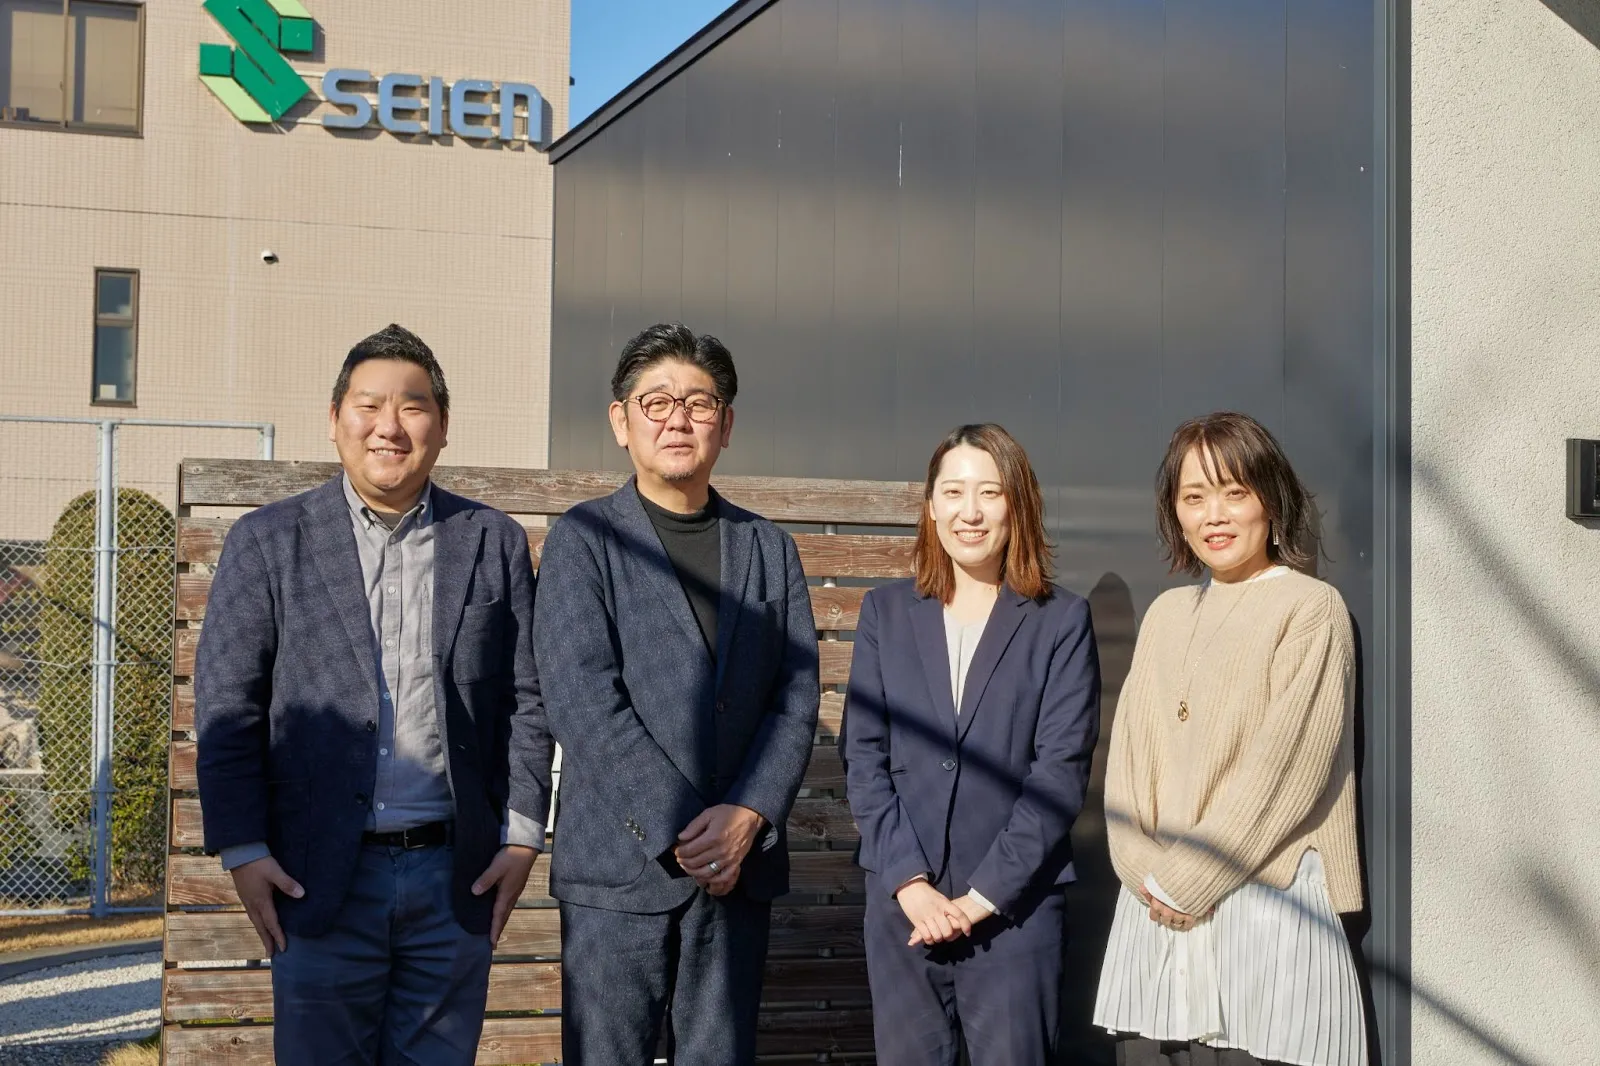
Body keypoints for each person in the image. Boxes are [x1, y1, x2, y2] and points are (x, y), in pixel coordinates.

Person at [194, 324, 552, 1066]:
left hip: (453, 878)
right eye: (369, 405)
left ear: (443, 427)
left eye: (414, 407)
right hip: (315, 874)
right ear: (335, 420)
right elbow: (229, 705)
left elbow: (526, 698)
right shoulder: (268, 541)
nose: (390, 426)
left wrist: (522, 834)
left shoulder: (491, 540)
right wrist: (243, 848)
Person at [532, 323, 820, 1065]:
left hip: (736, 871)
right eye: (656, 402)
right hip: (619, 871)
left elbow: (794, 699)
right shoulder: (584, 540)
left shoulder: (768, 549)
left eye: (699, 402)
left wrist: (748, 815)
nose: (678, 419)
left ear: (726, 423)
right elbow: (582, 698)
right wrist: (690, 831)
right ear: (620, 420)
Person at [1093, 411, 1366, 1066]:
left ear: (1270, 500)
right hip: (1156, 916)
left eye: (1234, 492)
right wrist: (1149, 880)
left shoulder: (1310, 609)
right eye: (1194, 497)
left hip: (1265, 910)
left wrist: (1186, 884)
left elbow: (1286, 772)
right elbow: (1126, 769)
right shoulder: (1166, 614)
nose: (1213, 515)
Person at [841, 423, 1102, 1066]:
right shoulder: (886, 612)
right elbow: (864, 757)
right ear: (931, 506)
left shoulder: (1061, 620)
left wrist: (981, 898)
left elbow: (1059, 774)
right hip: (905, 909)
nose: (971, 511)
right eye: (953, 492)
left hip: (1015, 912)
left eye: (990, 492)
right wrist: (910, 885)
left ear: (1019, 504)